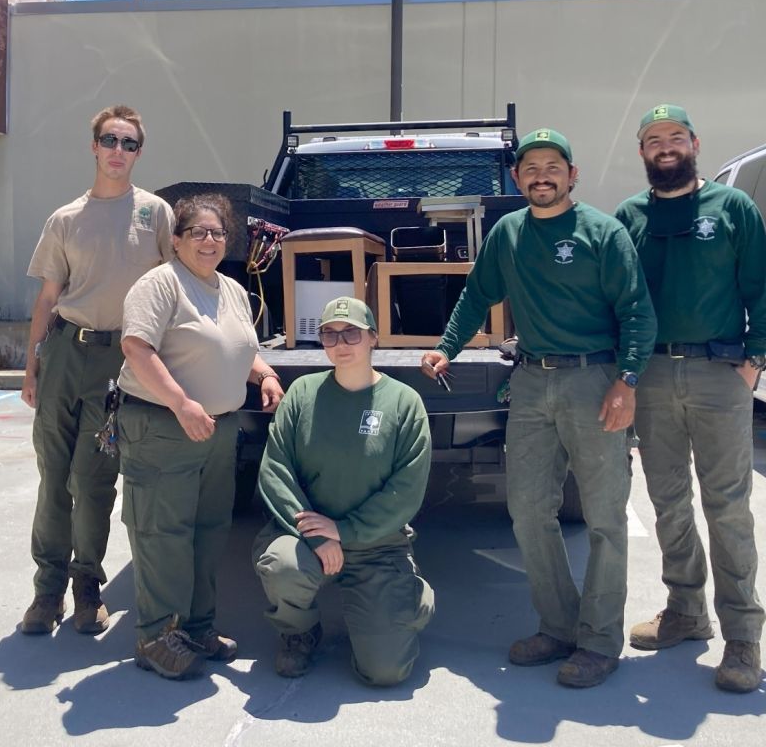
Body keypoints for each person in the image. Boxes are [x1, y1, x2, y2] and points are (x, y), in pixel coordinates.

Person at [422, 129, 657, 688]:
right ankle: (559, 626)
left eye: (553, 166)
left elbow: (638, 311)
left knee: (604, 517)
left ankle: (600, 640)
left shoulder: (603, 232)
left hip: (595, 379)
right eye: (531, 168)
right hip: (529, 382)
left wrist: (626, 382)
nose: (542, 176)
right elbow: (478, 294)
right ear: (517, 178)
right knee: (528, 511)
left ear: (572, 175)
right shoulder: (508, 233)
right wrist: (446, 346)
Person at [616, 104, 766, 693]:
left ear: (694, 143)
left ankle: (744, 637)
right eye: (654, 140)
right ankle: (686, 610)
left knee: (727, 505)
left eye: (675, 136)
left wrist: (756, 358)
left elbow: (760, 284)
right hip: (651, 374)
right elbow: (620, 298)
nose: (666, 146)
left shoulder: (732, 208)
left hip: (717, 370)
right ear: (643, 153)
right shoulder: (631, 215)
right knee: (668, 500)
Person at [116, 193, 284, 681]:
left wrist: (264, 373)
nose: (209, 241)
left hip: (216, 429)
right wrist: (180, 403)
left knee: (209, 532)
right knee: (163, 536)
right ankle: (155, 637)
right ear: (176, 240)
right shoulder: (161, 284)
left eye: (216, 233)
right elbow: (137, 348)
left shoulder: (230, 288)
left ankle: (196, 627)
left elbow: (235, 345)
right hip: (163, 425)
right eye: (197, 232)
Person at [21, 105, 174, 636]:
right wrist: (30, 368)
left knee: (94, 478)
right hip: (65, 351)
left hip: (120, 361)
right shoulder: (65, 219)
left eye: (128, 143)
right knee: (53, 477)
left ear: (138, 152)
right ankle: (47, 591)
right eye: (109, 140)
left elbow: (169, 287)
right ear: (93, 147)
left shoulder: (155, 213)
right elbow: (47, 298)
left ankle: (87, 585)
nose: (118, 150)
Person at [254, 297, 434, 686]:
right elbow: (275, 470)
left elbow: (406, 490)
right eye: (330, 334)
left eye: (351, 332)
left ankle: (411, 599)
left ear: (373, 338)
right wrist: (317, 535)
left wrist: (346, 531)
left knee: (386, 673)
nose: (341, 343)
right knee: (282, 565)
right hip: (309, 537)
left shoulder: (404, 403)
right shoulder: (302, 394)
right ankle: (298, 630)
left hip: (377, 544)